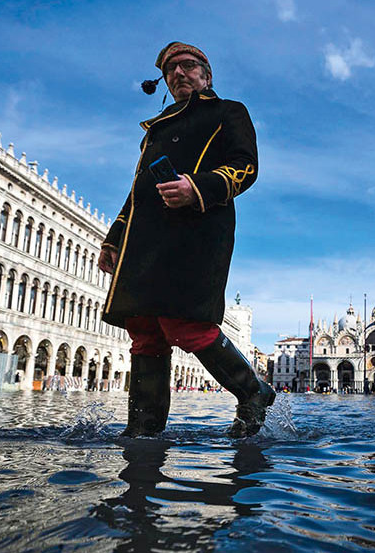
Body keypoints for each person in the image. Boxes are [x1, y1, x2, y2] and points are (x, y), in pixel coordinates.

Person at [100, 41, 274, 438]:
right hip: (146, 240)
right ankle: (143, 430)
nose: (179, 73)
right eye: (170, 70)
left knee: (185, 322)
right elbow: (138, 191)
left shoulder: (228, 111)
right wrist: (114, 239)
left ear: (206, 75)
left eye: (188, 66)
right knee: (145, 329)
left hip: (196, 231)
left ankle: (253, 391)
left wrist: (197, 187)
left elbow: (246, 166)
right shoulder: (155, 131)